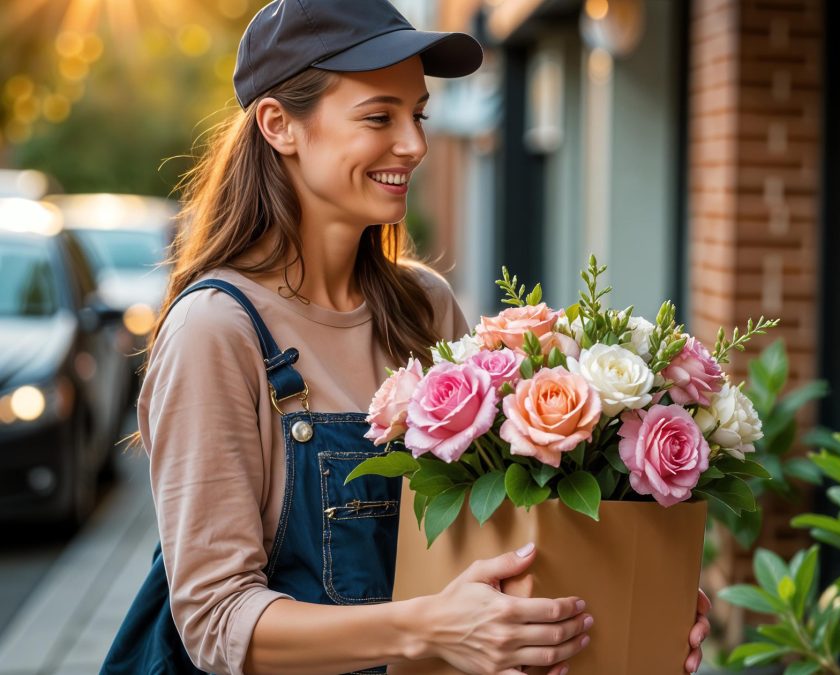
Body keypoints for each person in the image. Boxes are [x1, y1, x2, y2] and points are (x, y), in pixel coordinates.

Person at [101, 1, 711, 673]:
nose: (416, 144)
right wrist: (431, 629)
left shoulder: (424, 306)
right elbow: (216, 622)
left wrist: (622, 607)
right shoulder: (215, 332)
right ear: (280, 125)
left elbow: (482, 549)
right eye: (378, 117)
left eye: (417, 114)